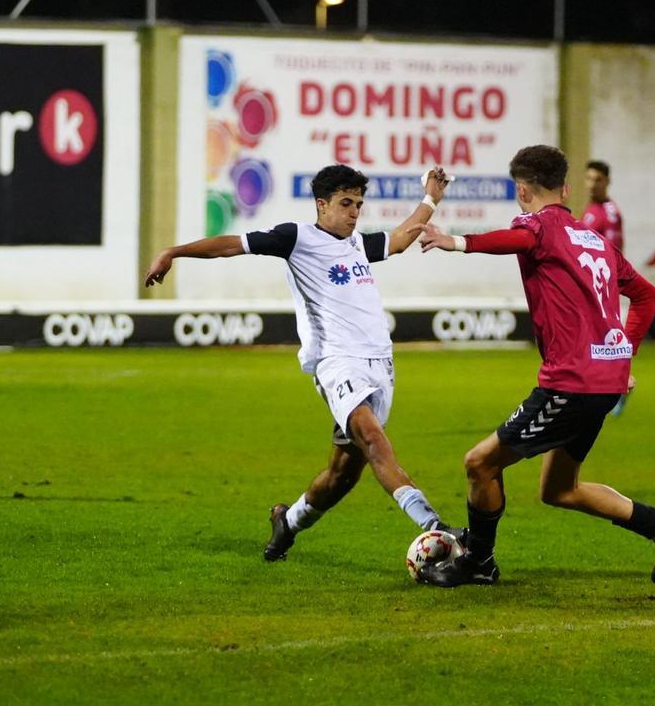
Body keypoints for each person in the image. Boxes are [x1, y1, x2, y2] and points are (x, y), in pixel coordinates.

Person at [413, 145, 655, 587]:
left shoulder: (537, 225)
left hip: (571, 385)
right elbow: (648, 297)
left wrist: (457, 242)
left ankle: (479, 563)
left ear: (522, 190)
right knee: (560, 489)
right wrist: (623, 355)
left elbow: (520, 239)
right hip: (602, 383)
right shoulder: (597, 240)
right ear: (566, 188)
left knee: (480, 465)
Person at [144, 165, 459, 562]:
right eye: (345, 203)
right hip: (337, 363)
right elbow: (232, 244)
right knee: (376, 442)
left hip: (381, 365)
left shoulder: (358, 245)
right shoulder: (298, 238)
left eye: (358, 205)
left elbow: (400, 238)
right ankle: (434, 526)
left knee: (342, 476)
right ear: (321, 204)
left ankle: (287, 522)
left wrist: (431, 199)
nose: (353, 212)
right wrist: (174, 252)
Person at [581, 160, 624, 252]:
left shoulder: (611, 214)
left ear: (607, 181)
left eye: (598, 180)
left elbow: (614, 251)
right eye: (589, 178)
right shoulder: (591, 207)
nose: (592, 185)